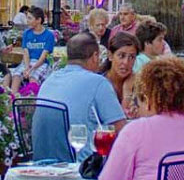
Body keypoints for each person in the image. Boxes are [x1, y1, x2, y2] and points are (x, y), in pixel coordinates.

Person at [35, 33, 127, 162]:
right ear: (95, 57)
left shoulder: (50, 80)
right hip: (82, 167)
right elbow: (121, 130)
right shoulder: (98, 83)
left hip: (44, 163)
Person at [9, 6, 57, 90]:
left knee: (33, 77)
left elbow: (43, 56)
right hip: (27, 62)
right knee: (16, 76)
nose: (27, 21)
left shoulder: (49, 35)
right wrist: (27, 68)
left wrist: (32, 69)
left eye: (30, 18)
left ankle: (31, 98)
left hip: (42, 63)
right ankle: (13, 98)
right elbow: (26, 53)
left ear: (38, 20)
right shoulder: (26, 33)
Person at [104, 32, 139, 107]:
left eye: (131, 57)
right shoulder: (100, 84)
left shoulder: (140, 85)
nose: (126, 62)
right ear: (110, 56)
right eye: (121, 56)